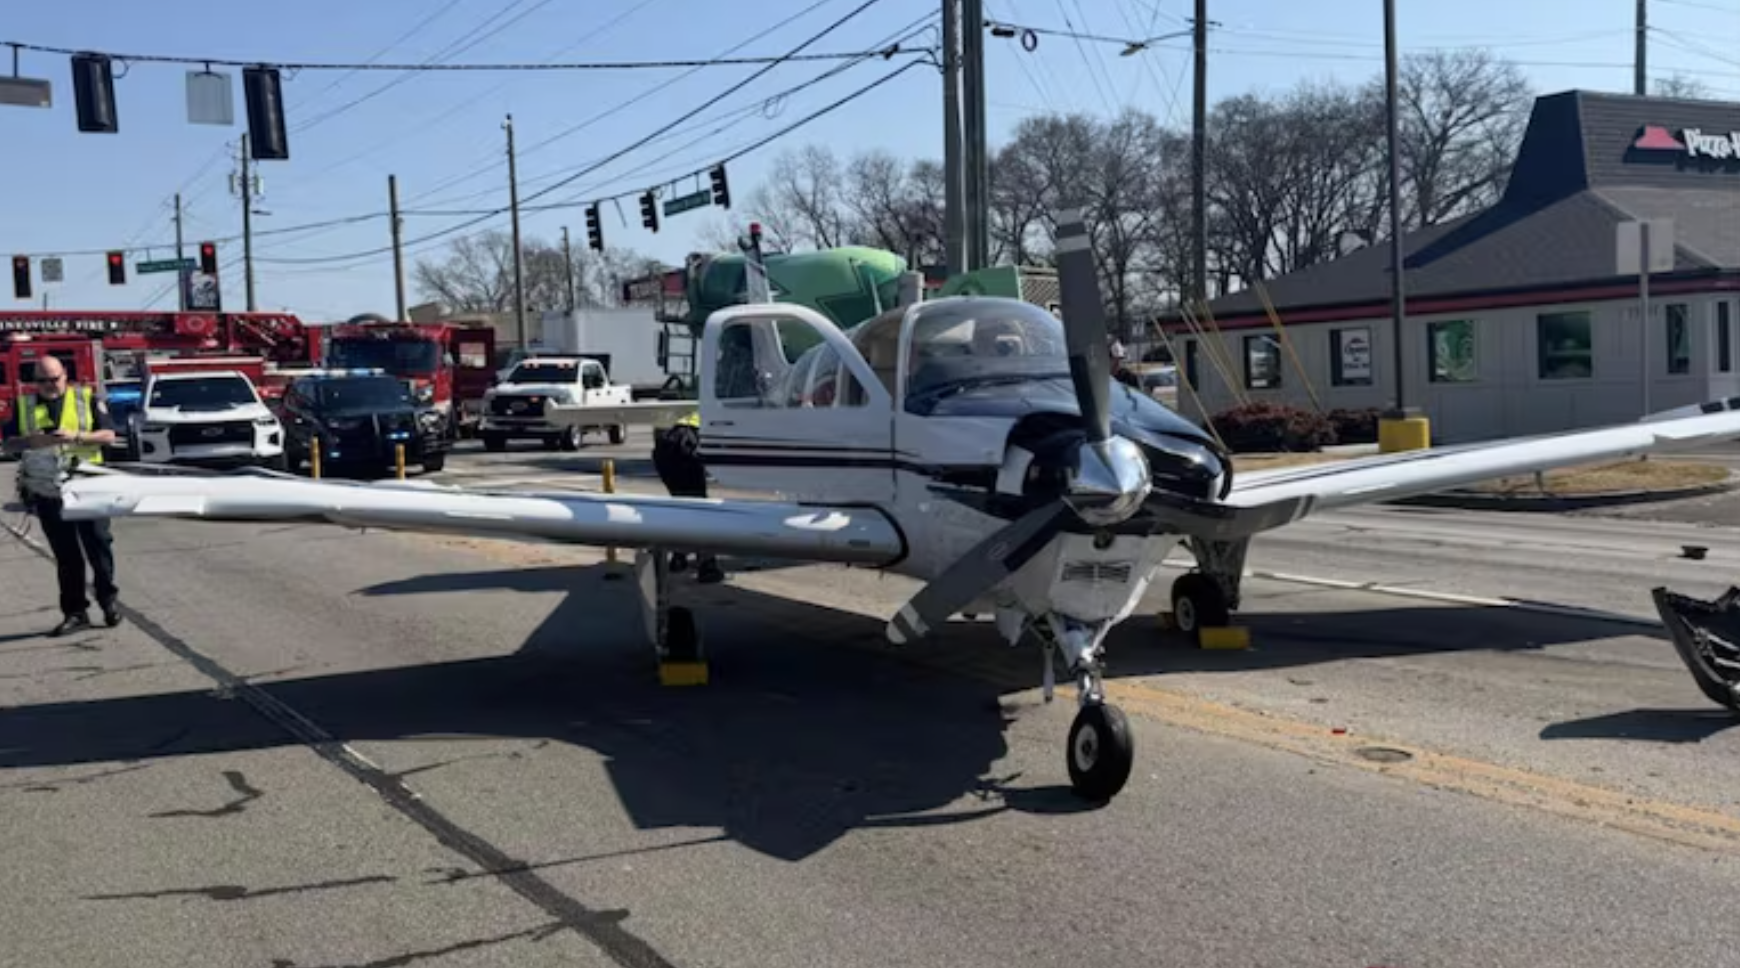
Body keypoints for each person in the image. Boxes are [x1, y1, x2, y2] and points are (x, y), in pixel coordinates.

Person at [2, 356, 121, 635]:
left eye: (53, 379)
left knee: (98, 546)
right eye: (42, 381)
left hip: (87, 486)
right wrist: (31, 442)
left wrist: (77, 436)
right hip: (47, 489)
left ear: (64, 376)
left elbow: (108, 435)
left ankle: (108, 602)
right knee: (66, 555)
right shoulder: (25, 406)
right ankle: (75, 612)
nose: (48, 385)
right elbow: (7, 445)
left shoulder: (87, 398)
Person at [650, 408, 724, 584]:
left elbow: (657, 430)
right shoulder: (704, 399)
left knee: (681, 502)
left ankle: (679, 556)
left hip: (665, 445)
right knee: (699, 507)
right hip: (686, 440)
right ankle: (707, 564)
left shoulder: (672, 401)